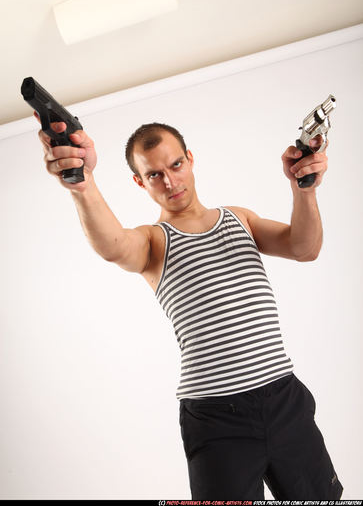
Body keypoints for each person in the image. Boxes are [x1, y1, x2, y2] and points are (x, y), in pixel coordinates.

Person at [35, 113, 343, 500]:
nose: (170, 181)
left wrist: (305, 190)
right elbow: (113, 246)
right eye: (154, 175)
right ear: (139, 182)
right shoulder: (151, 241)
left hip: (284, 400)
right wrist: (82, 184)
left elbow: (305, 248)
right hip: (216, 419)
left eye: (175, 165)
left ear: (190, 159)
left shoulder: (241, 219)